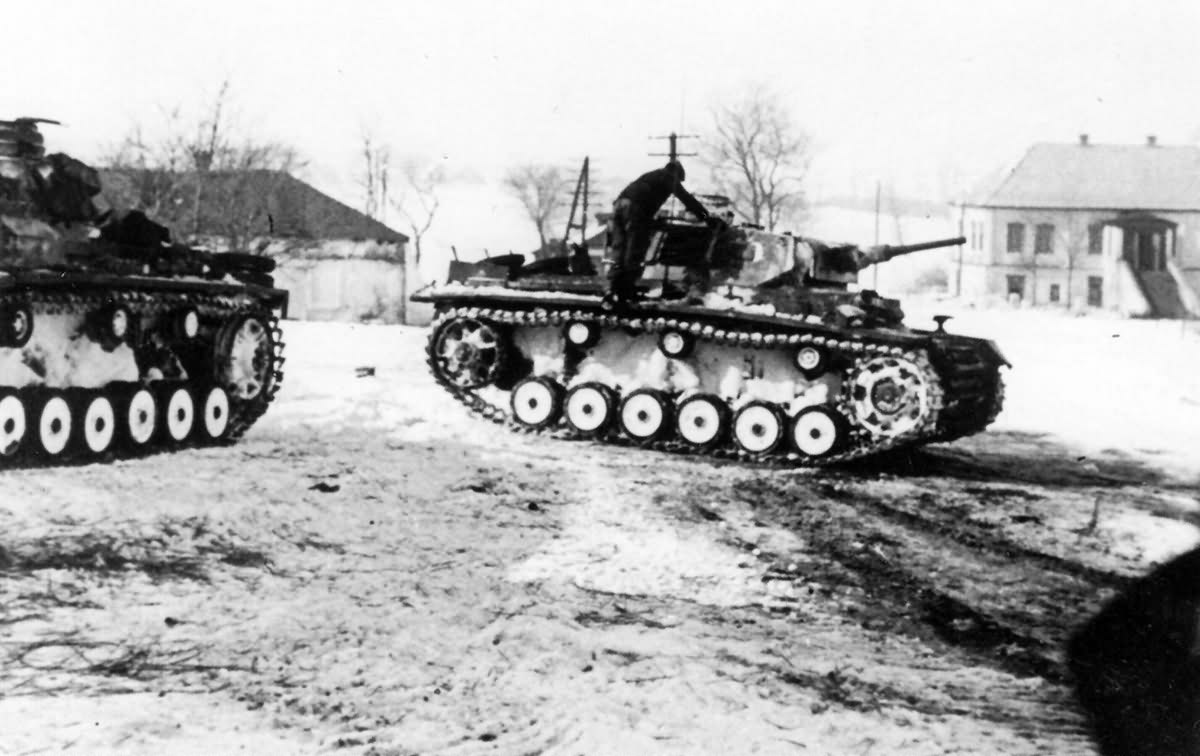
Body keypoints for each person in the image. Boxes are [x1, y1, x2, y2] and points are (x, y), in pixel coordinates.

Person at [604, 160, 723, 308]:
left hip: (619, 205)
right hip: (635, 208)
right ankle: (625, 290)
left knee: (619, 248)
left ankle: (613, 287)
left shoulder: (651, 176)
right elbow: (685, 197)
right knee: (635, 249)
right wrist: (706, 217)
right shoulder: (668, 177)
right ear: (676, 173)